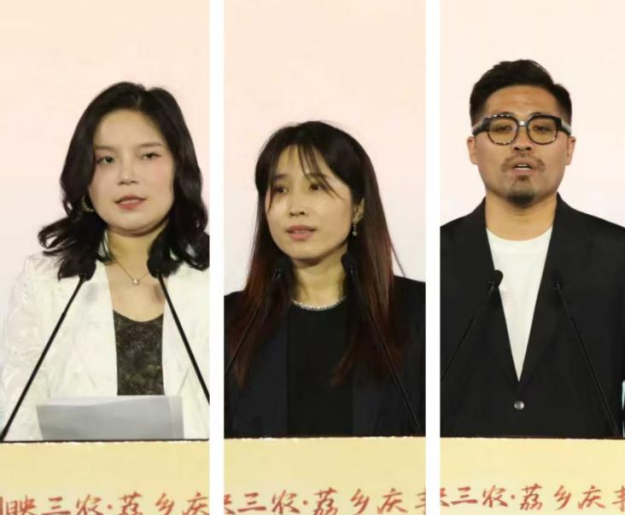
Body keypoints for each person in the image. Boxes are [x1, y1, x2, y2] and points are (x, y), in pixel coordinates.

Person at [441, 60, 625, 438]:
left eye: (542, 129)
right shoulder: (438, 258)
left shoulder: (623, 257)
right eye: (502, 128)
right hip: (461, 473)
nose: (522, 142)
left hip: (586, 474)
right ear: (473, 148)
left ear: (569, 148)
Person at [0, 82, 209, 441]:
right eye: (106, 160)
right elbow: (18, 426)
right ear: (85, 179)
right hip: (73, 478)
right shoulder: (46, 283)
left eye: (148, 156)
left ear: (179, 167)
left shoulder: (214, 278)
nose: (127, 175)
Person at [225, 121, 424, 438]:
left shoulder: (419, 313)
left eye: (315, 187)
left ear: (358, 207)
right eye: (280, 189)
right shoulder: (231, 321)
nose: (295, 207)